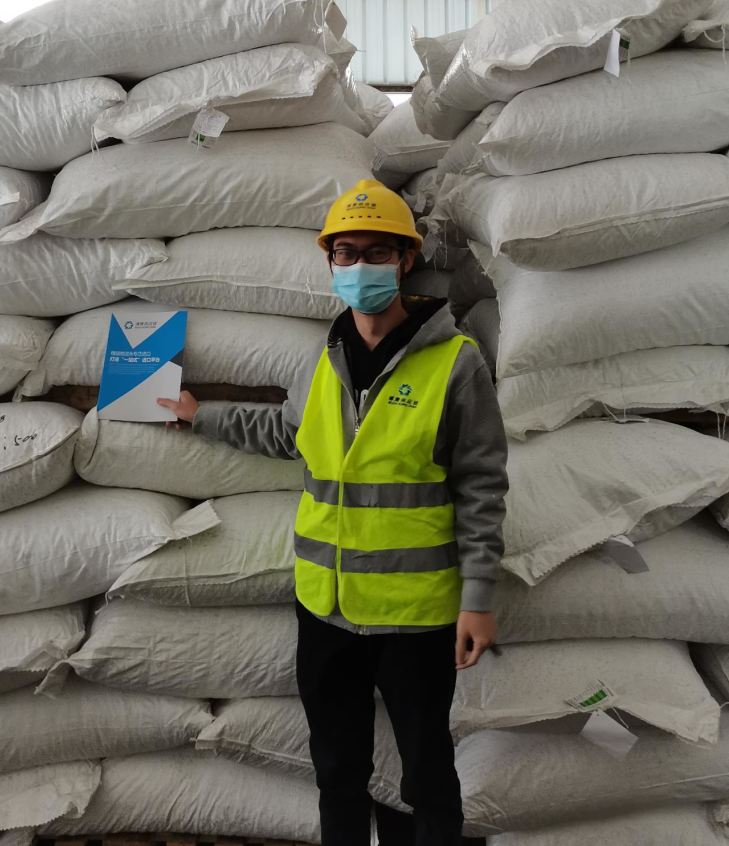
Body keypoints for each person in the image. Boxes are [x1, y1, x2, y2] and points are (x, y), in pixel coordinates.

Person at [158, 179, 509, 846]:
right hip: (326, 609)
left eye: (376, 253)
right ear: (329, 261)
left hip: (416, 616)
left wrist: (479, 599)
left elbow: (482, 488)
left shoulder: (456, 365)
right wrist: (201, 415)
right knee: (337, 772)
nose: (358, 267)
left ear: (406, 260)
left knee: (428, 776)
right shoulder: (319, 361)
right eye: (345, 253)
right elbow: (286, 434)